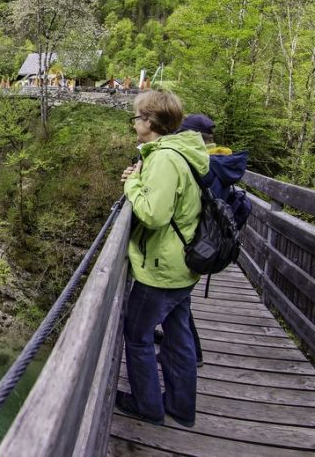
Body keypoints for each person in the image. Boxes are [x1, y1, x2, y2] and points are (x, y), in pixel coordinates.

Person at [117, 90, 209, 428]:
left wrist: (132, 185)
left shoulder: (165, 159)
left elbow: (154, 216)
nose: (134, 122)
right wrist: (141, 178)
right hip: (182, 266)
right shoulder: (178, 152)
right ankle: (182, 408)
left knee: (137, 335)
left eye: (137, 117)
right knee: (179, 335)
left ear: (151, 122)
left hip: (161, 269)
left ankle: (148, 407)